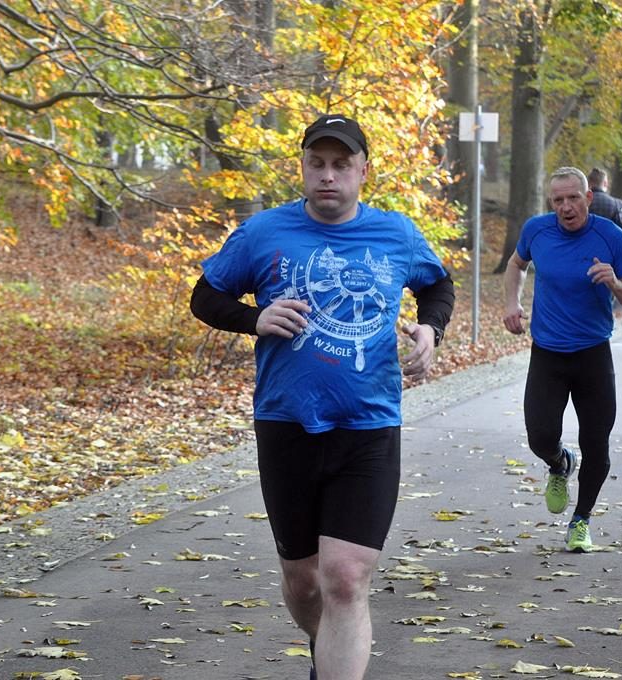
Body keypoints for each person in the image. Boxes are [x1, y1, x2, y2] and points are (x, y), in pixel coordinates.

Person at [190, 115, 455, 680]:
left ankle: (335, 656)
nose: (328, 175)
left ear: (363, 171)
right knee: (305, 582)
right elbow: (205, 296)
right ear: (304, 168)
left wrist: (431, 328)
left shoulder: (397, 234)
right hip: (286, 423)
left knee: (346, 579)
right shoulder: (263, 232)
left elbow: (437, 283)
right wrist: (254, 318)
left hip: (368, 426)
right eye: (317, 163)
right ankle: (326, 646)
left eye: (341, 165)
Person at [502, 166, 622, 553]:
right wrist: (512, 302)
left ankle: (581, 520)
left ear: (588, 198)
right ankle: (560, 463)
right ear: (551, 203)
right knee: (539, 436)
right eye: (558, 200)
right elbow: (516, 264)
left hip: (592, 354)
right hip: (547, 353)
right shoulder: (537, 230)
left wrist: (615, 283)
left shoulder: (610, 236)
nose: (566, 207)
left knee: (597, 443)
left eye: (573, 198)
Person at [587, 167, 622, 261]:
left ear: (588, 184)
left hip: (583, 258)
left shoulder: (580, 205)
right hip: (610, 260)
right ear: (605, 183)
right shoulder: (617, 205)